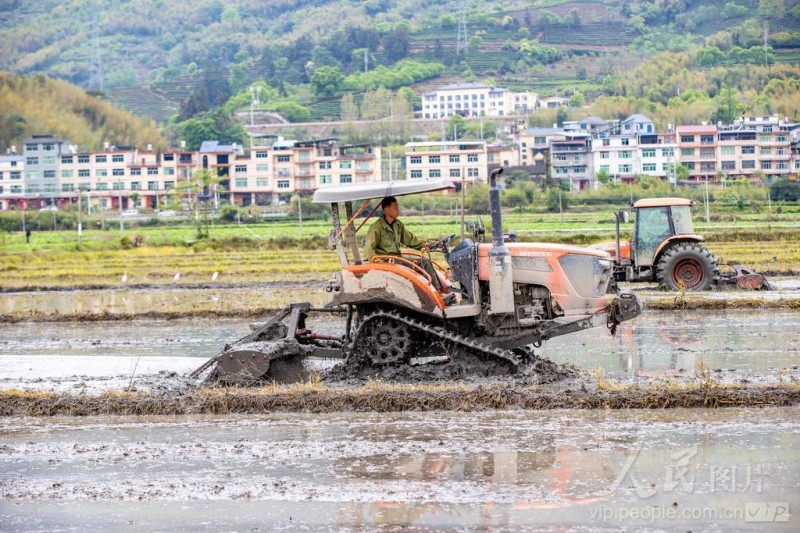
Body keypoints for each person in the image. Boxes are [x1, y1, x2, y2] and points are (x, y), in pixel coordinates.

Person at [364, 196, 454, 302]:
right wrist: (379, 263)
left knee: (424, 262)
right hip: (386, 261)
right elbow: (369, 249)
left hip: (397, 259)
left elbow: (411, 240)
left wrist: (431, 245)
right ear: (386, 210)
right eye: (395, 208)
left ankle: (430, 293)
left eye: (398, 207)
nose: (398, 210)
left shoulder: (398, 225)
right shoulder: (376, 227)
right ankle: (437, 296)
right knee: (424, 263)